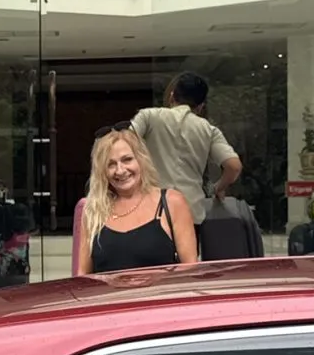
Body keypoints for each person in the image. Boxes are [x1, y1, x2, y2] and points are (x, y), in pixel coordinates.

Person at [78, 124, 198, 273]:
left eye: (127, 160)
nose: (120, 170)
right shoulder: (93, 211)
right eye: (111, 164)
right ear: (102, 171)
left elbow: (190, 270)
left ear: (141, 159)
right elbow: (83, 277)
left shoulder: (172, 202)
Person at [131, 71, 242, 226]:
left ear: (172, 96)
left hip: (151, 211)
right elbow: (234, 166)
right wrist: (218, 187)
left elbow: (123, 144)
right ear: (201, 106)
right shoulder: (209, 130)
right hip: (190, 214)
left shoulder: (148, 116)